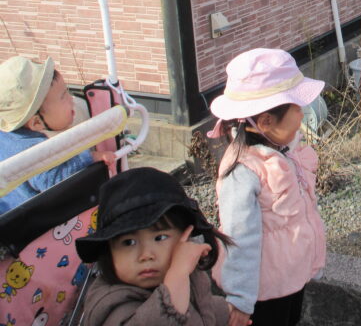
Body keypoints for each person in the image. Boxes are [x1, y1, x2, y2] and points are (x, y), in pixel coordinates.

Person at [209, 48, 326, 326]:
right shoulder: (243, 171)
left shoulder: (279, 150)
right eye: (296, 108)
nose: (302, 115)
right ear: (265, 122)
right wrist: (240, 299)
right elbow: (239, 238)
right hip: (263, 292)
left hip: (289, 277)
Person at [75, 167, 231, 326]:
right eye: (129, 242)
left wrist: (229, 311)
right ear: (109, 251)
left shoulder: (183, 274)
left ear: (185, 236)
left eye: (160, 238)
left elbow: (202, 309)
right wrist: (178, 273)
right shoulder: (111, 302)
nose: (146, 255)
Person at [0, 55, 115, 213]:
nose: (71, 99)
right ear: (36, 122)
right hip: (34, 223)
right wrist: (90, 158)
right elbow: (54, 180)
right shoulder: (31, 152)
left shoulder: (6, 137)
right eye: (63, 96)